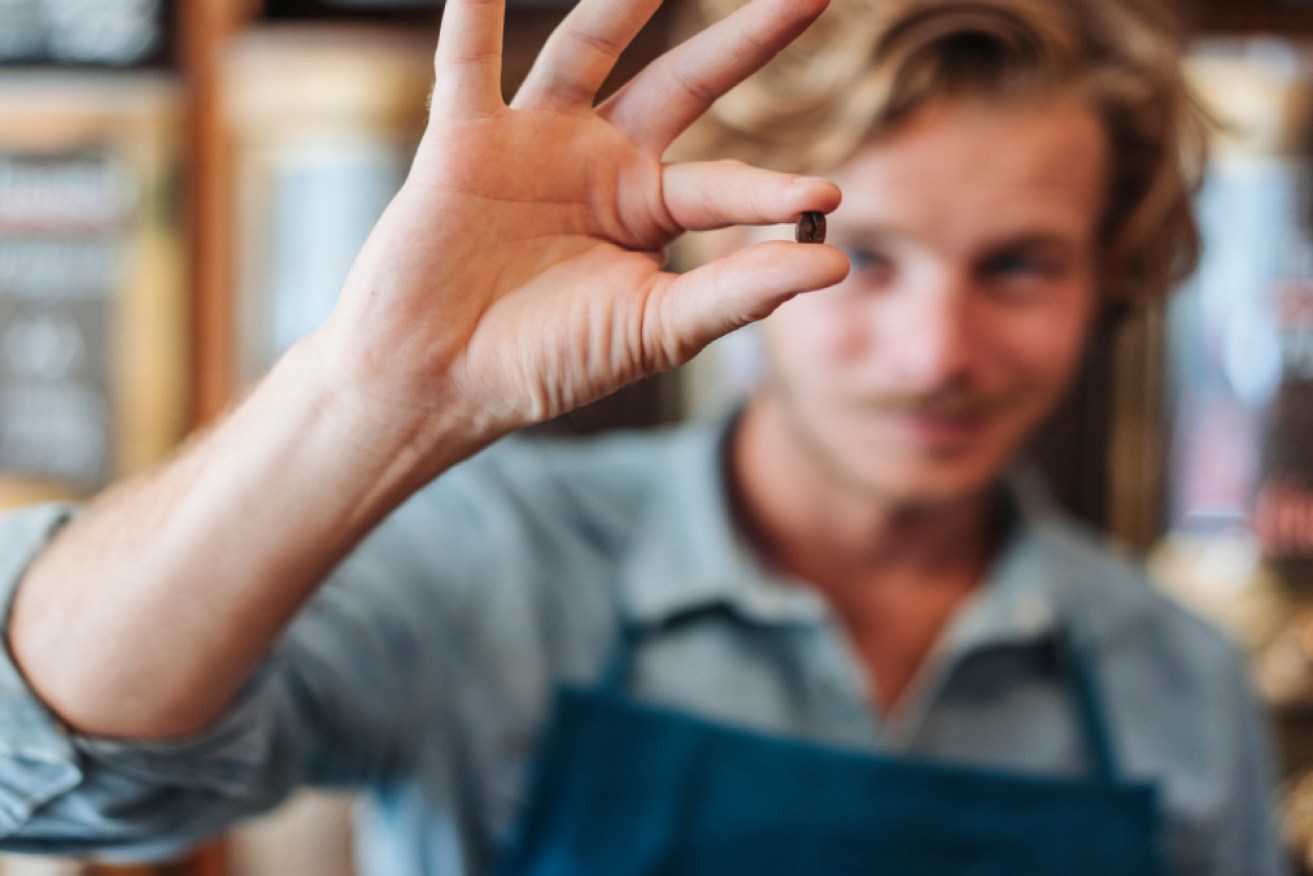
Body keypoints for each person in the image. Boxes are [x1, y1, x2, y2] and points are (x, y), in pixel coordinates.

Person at [0, 0, 1286, 872]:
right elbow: (49, 772)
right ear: (721, 227)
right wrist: (363, 398)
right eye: (864, 254)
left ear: (1107, 275)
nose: (935, 353)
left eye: (1016, 268)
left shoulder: (1173, 681)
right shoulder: (495, 560)